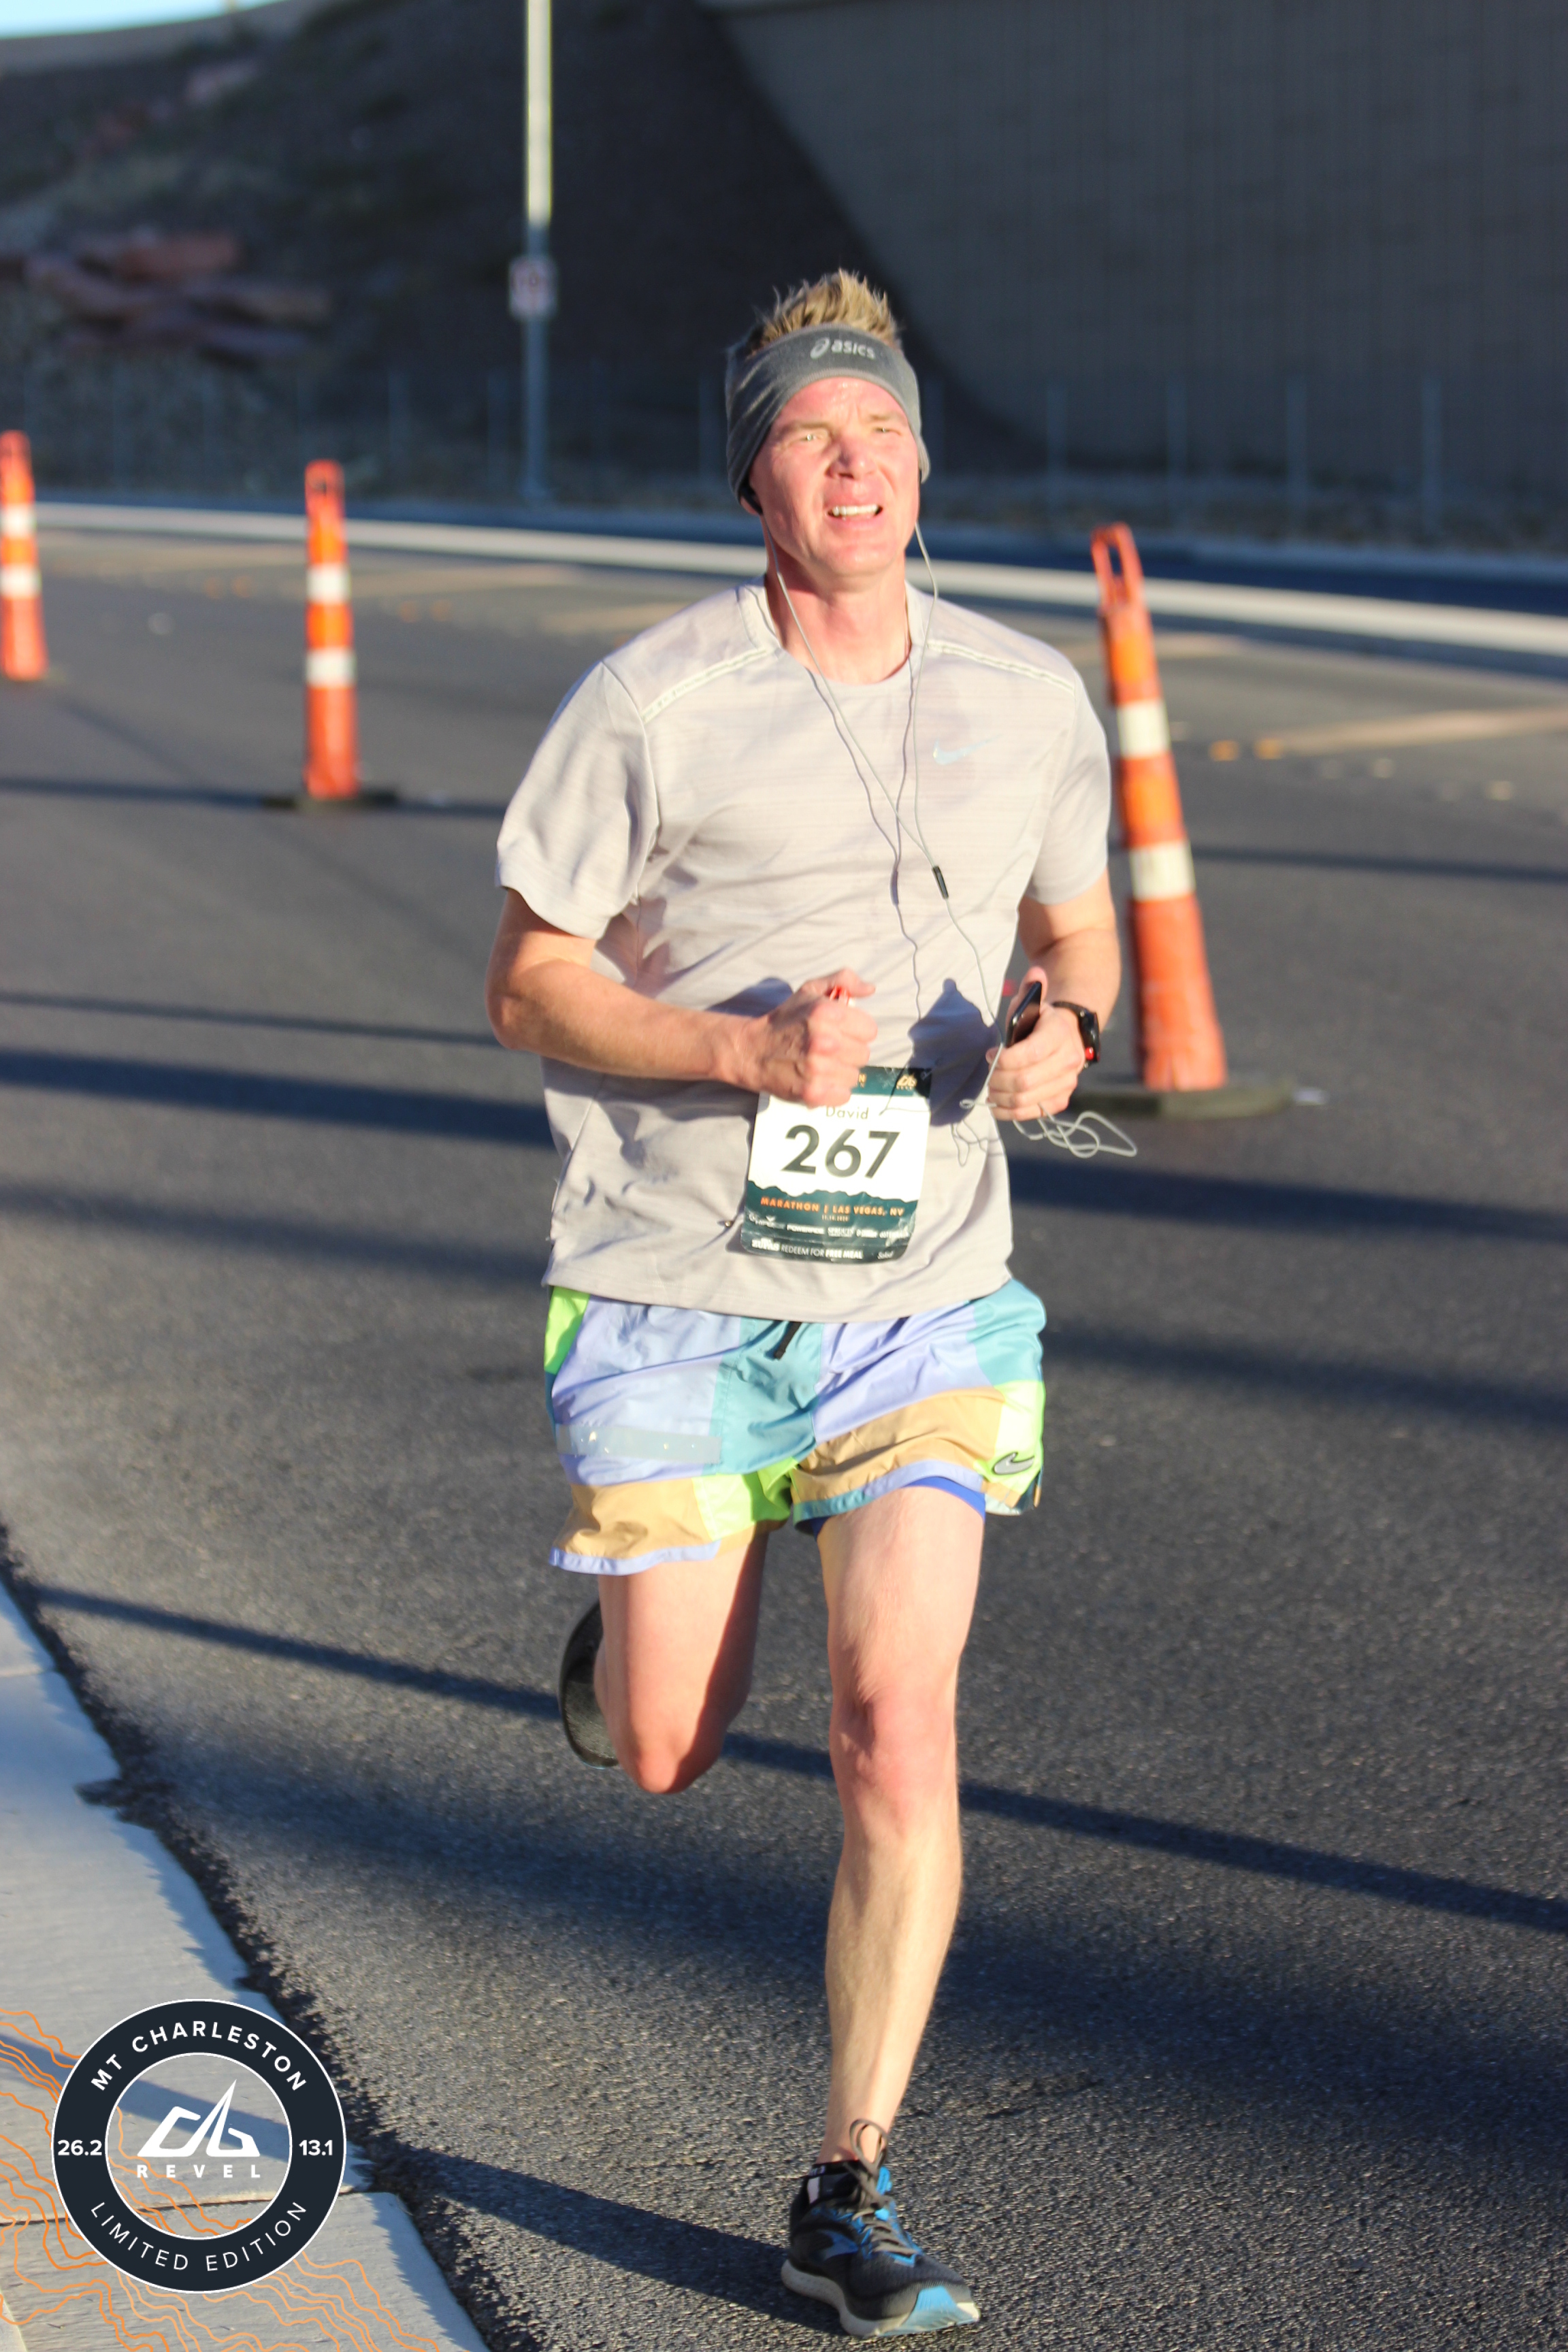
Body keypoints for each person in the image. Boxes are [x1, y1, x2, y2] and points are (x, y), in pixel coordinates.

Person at [485, 269, 1119, 2338]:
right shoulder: (655, 702)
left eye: (884, 433)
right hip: (678, 1281)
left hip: (924, 1296)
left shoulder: (1030, 696)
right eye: (811, 436)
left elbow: (1082, 936)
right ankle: (631, 1653)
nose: (856, 467)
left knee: (893, 1724)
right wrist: (744, 1053)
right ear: (753, 478)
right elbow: (527, 981)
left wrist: (1062, 1037)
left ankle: (848, 2185)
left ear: (924, 463)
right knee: (672, 1745)